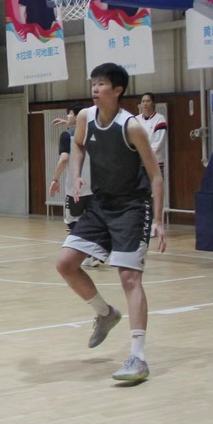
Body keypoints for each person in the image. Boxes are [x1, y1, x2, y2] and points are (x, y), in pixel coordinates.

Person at [55, 63, 166, 383]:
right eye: (93, 83)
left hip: (132, 207)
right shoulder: (86, 117)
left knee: (129, 277)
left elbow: (156, 175)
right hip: (101, 204)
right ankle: (105, 313)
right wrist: (77, 173)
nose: (95, 88)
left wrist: (159, 220)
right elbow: (77, 143)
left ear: (117, 91)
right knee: (65, 263)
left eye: (102, 84)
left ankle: (138, 357)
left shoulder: (131, 127)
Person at [49, 104, 100, 269]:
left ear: (77, 116)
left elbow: (64, 159)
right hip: (94, 186)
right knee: (92, 220)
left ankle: (86, 254)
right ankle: (94, 252)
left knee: (72, 222)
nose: (67, 117)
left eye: (69, 114)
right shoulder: (94, 133)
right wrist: (69, 122)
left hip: (75, 188)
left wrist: (55, 179)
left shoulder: (67, 136)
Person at [134, 92, 167, 176]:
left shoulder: (160, 119)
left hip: (155, 162)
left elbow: (158, 142)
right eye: (143, 101)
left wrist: (146, 154)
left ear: (153, 103)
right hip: (139, 163)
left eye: (148, 101)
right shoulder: (136, 119)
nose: (145, 103)